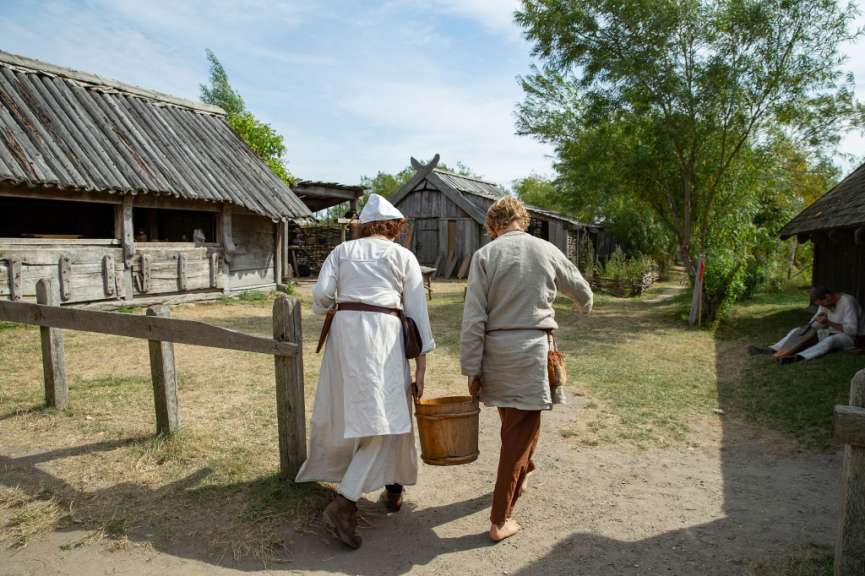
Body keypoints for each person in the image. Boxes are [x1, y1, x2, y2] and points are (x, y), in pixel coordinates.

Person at [295, 194, 435, 550]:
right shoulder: (403, 256)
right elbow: (417, 313)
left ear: (366, 225)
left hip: (346, 335)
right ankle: (346, 500)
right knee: (386, 420)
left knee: (363, 415)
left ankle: (387, 487)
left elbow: (321, 295)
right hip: (382, 338)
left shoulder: (342, 252)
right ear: (394, 227)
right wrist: (421, 367)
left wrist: (334, 308)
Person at [460, 196, 593, 543]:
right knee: (518, 435)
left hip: (497, 353)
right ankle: (500, 519)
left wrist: (472, 368)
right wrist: (582, 307)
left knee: (517, 424)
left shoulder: (484, 255)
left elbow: (474, 317)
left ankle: (525, 470)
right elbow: (581, 289)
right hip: (532, 352)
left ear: (493, 226)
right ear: (523, 220)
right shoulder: (546, 249)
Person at [748, 286, 863, 364]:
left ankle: (798, 357)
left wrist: (828, 322)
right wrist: (814, 323)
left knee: (830, 341)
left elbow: (852, 330)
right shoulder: (825, 304)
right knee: (797, 330)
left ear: (828, 297)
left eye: (823, 303)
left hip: (853, 338)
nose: (823, 307)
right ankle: (772, 349)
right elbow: (813, 325)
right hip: (832, 331)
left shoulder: (847, 301)